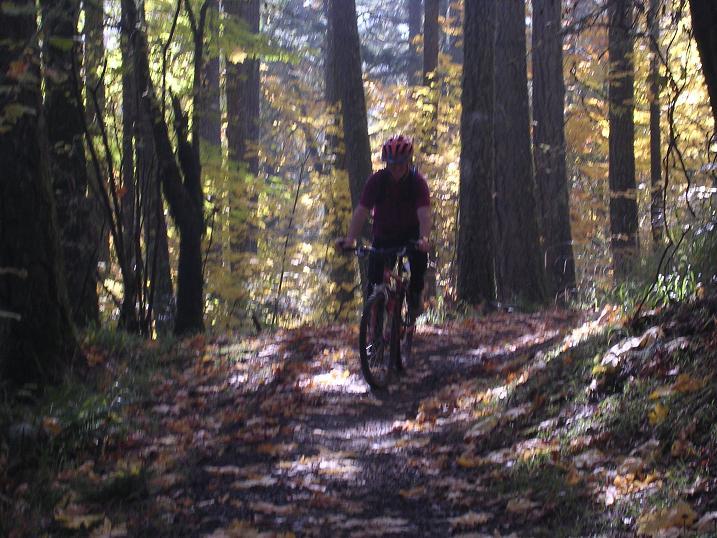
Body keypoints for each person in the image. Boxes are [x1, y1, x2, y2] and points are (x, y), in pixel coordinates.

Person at [336, 135, 431, 320]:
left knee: (418, 265)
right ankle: (375, 328)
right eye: (392, 164)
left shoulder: (417, 182)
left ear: (408, 163)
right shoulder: (377, 181)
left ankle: (414, 298)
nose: (396, 169)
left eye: (401, 164)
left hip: (411, 235)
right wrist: (350, 239)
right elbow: (362, 211)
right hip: (383, 235)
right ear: (386, 163)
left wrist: (424, 239)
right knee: (375, 281)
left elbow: (424, 214)